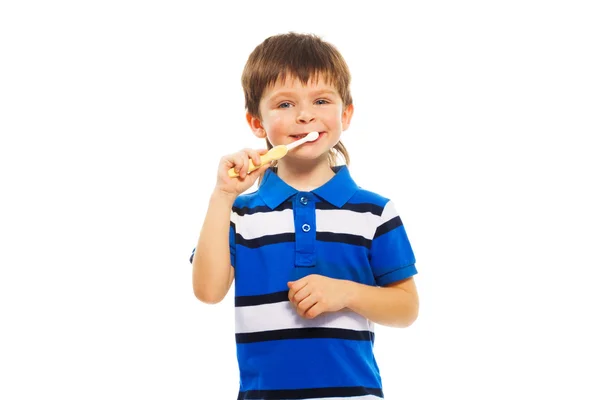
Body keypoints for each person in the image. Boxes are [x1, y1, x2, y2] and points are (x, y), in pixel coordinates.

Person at [190, 32, 419, 399]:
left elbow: (407, 308)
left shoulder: (374, 212)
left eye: (321, 100)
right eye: (284, 104)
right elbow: (207, 291)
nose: (305, 114)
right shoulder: (238, 215)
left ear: (346, 114)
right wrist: (222, 196)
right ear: (256, 123)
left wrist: (345, 292)